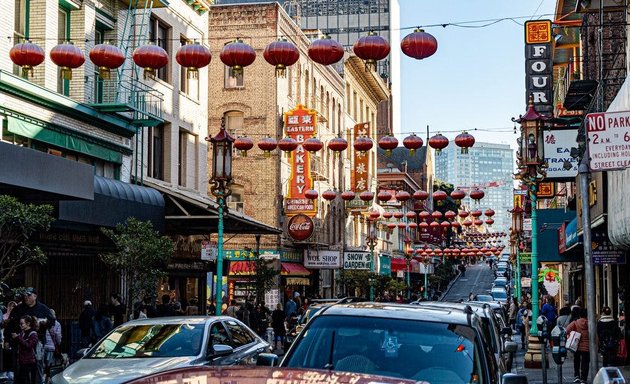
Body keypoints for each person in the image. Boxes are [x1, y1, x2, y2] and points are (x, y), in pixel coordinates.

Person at [4, 288, 54, 384]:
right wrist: (6, 340)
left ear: (35, 296)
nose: (26, 297)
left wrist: (43, 323)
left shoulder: (43, 308)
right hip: (18, 345)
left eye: (29, 295)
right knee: (19, 372)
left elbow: (52, 321)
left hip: (36, 346)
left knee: (37, 371)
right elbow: (9, 325)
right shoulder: (18, 309)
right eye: (25, 295)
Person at [11, 315, 39, 384]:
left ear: (28, 323)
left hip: (29, 362)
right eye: (20, 323)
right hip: (21, 362)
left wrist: (18, 338)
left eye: (22, 323)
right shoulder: (22, 333)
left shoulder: (33, 334)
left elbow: (29, 345)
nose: (20, 325)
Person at [566, 307, 590, 383]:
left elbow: (567, 330)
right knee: (585, 362)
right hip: (587, 346)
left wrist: (572, 334)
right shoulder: (590, 323)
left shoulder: (575, 322)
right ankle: (584, 378)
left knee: (576, 361)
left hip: (576, 345)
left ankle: (577, 376)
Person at [43, 309, 62, 384]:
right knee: (49, 364)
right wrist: (58, 343)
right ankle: (47, 379)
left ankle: (43, 377)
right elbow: (58, 335)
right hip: (51, 346)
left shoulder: (44, 322)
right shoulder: (57, 324)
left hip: (43, 346)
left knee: (42, 363)